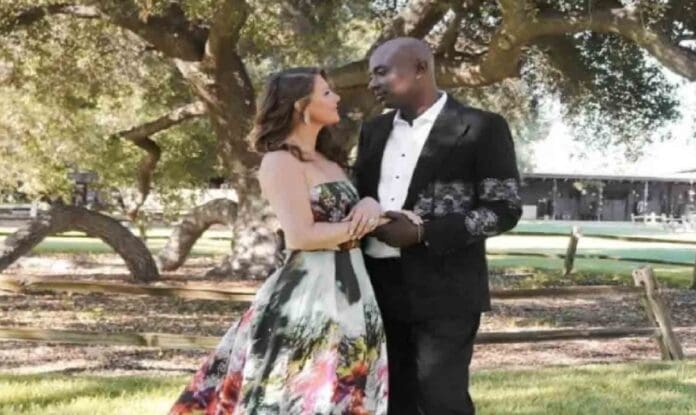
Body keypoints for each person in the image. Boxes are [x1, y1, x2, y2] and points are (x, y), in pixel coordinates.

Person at [169, 67, 389, 414]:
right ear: (301, 106)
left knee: (346, 389)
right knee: (304, 393)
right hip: (310, 293)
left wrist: (370, 205)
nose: (337, 98)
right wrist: (366, 224)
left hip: (353, 288)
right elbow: (301, 236)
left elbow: (354, 212)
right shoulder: (279, 161)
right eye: (326, 93)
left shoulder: (328, 159)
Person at [354, 38, 522, 415]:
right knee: (390, 399)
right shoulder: (372, 131)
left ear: (420, 68)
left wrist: (424, 232)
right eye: (371, 75)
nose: (372, 83)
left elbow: (504, 208)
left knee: (441, 400)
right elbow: (361, 195)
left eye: (381, 72)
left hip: (447, 288)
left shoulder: (481, 127)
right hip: (376, 285)